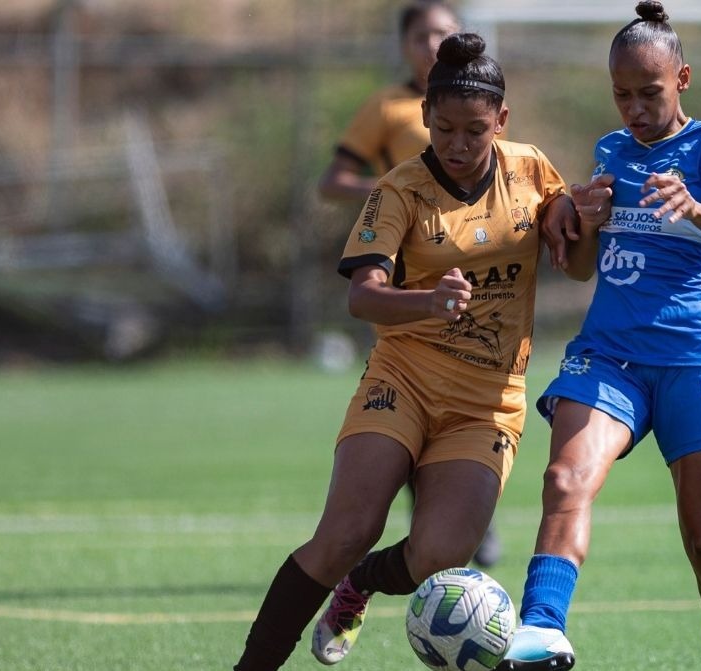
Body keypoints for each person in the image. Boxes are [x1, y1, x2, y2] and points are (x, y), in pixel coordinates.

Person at [233, 33, 576, 670]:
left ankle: (358, 586)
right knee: (345, 531)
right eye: (444, 128)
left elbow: (573, 252)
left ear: (501, 121)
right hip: (405, 379)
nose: (459, 144)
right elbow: (362, 297)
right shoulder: (398, 190)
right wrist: (426, 302)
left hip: (486, 403)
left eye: (475, 130)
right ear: (424, 116)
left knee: (441, 556)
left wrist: (574, 214)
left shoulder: (531, 169)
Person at [498, 3, 701, 670]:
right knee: (564, 478)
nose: (635, 108)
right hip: (610, 351)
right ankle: (541, 628)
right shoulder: (610, 152)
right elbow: (584, 267)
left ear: (683, 79)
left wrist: (693, 205)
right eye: (622, 94)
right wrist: (584, 222)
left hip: (692, 355)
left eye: (650, 92)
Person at [316, 0, 503, 568]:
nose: (432, 44)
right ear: (404, 45)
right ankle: (415, 536)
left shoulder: (476, 107)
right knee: (407, 407)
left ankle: (455, 530)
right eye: (423, 35)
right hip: (409, 284)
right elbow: (333, 181)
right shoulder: (387, 107)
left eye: (444, 33)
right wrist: (394, 189)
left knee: (471, 408)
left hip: (477, 286)